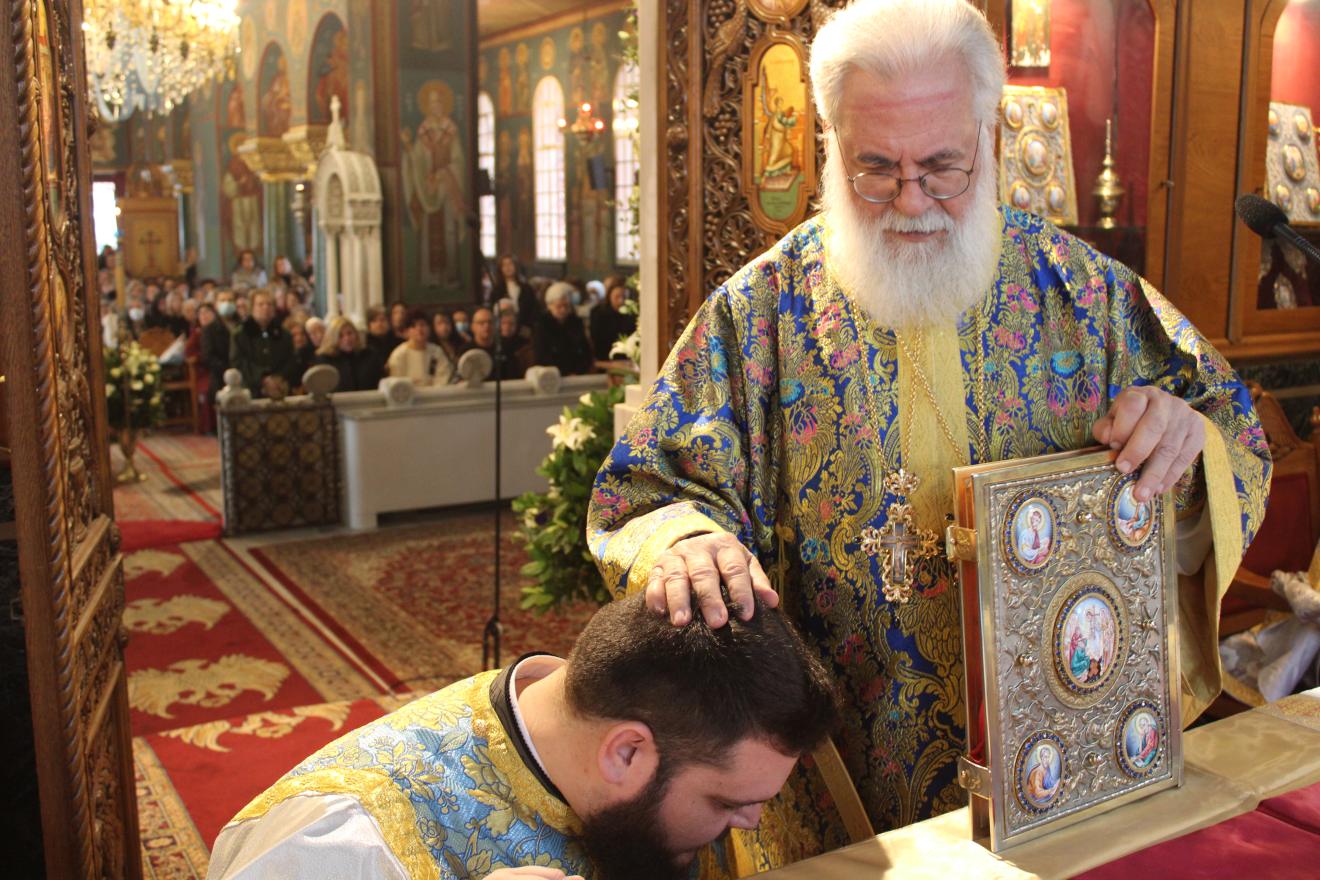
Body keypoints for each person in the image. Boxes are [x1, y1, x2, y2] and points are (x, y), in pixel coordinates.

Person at [586, 0, 1270, 860]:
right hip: (834, 786)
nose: (912, 201)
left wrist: (1184, 446)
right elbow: (647, 491)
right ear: (830, 145)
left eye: (942, 166)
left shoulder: (1087, 293)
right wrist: (687, 542)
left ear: (989, 133)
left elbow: (1231, 436)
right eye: (876, 168)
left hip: (1060, 774)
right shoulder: (756, 315)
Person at [207, 593, 839, 880]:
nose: (753, 824)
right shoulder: (342, 841)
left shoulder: (579, 713)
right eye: (727, 803)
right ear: (625, 752)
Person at [232, 289, 296, 396]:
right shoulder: (240, 334)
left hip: (279, 388)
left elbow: (290, 359)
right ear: (252, 308)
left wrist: (278, 377)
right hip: (251, 389)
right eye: (260, 304)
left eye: (269, 304)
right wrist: (263, 378)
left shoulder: (284, 334)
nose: (265, 308)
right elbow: (238, 362)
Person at [533, 283, 594, 376]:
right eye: (559, 306)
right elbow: (541, 355)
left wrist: (578, 370)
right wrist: (563, 372)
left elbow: (585, 350)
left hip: (576, 373)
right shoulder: (541, 325)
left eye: (566, 306)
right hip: (551, 374)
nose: (563, 310)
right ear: (550, 306)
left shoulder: (575, 322)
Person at [387, 308, 454, 387]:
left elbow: (443, 376)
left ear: (429, 328)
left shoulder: (436, 352)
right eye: (413, 326)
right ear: (406, 331)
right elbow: (396, 382)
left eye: (423, 325)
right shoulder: (399, 355)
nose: (419, 329)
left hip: (435, 393)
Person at [315, 316, 383, 393]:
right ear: (333, 338)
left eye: (349, 333)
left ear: (356, 334)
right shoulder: (324, 360)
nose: (347, 339)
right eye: (340, 336)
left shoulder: (370, 355)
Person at [590, 276, 637, 362]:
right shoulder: (598, 313)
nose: (621, 301)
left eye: (624, 297)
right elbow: (596, 341)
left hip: (627, 359)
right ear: (609, 296)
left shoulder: (631, 314)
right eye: (617, 297)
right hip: (604, 359)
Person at [498, 254, 540, 334]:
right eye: (504, 265)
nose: (508, 267)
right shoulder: (497, 289)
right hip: (504, 330)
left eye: (510, 264)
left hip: (524, 329)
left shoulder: (527, 288)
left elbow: (534, 309)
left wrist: (529, 327)